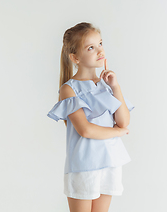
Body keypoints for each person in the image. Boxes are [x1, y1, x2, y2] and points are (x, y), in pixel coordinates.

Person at [47, 22, 134, 212]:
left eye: (100, 43)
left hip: (109, 162)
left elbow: (124, 121)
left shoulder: (106, 85)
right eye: (91, 47)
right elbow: (85, 129)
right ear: (75, 57)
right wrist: (117, 132)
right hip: (84, 165)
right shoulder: (69, 89)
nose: (99, 50)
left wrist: (115, 87)